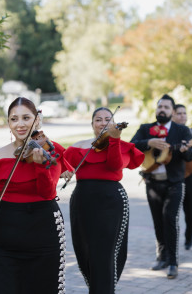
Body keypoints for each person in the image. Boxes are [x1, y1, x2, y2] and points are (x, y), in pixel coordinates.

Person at [0, 97, 73, 294]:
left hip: (44, 231)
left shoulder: (51, 149)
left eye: (26, 117)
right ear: (8, 123)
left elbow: (47, 192)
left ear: (37, 120)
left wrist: (41, 168)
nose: (20, 124)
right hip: (5, 236)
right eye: (14, 119)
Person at [63, 107, 144, 294]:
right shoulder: (78, 147)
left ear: (115, 123)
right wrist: (63, 171)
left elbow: (114, 165)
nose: (103, 123)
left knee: (105, 254)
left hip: (111, 202)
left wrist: (114, 139)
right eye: (98, 119)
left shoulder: (122, 146)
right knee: (85, 251)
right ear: (92, 124)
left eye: (108, 119)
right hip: (82, 202)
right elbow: (61, 164)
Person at [131, 94, 192, 279]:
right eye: (160, 106)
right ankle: (162, 257)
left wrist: (185, 150)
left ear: (173, 112)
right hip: (152, 182)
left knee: (170, 218)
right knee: (158, 221)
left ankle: (173, 261)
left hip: (174, 183)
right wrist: (149, 143)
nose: (162, 110)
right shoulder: (146, 129)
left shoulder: (182, 130)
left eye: (166, 107)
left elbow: (191, 156)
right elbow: (130, 145)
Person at [172, 104, 192, 250]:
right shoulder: (167, 133)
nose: (182, 115)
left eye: (184, 113)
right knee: (172, 213)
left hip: (190, 175)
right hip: (171, 177)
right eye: (179, 113)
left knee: (190, 211)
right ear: (172, 115)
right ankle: (172, 240)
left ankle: (188, 238)